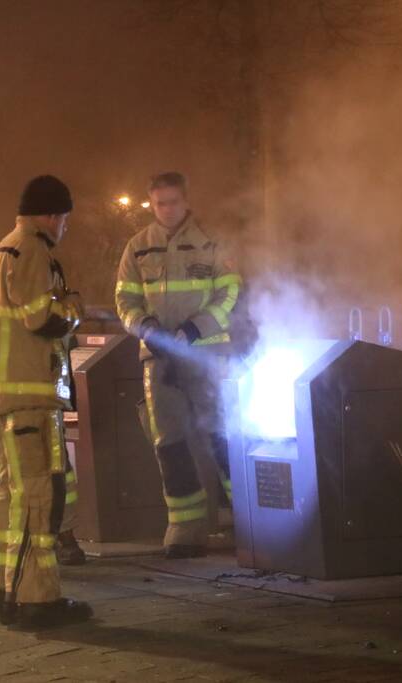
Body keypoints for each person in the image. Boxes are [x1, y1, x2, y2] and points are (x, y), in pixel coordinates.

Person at [0, 175, 92, 629]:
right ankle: (37, 600)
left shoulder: (2, 251)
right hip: (27, 398)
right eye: (64, 218)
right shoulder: (32, 250)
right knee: (38, 500)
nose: (65, 227)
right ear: (51, 215)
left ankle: (6, 591)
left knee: (12, 499)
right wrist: (74, 306)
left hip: (3, 397)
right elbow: (41, 318)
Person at [114, 171, 242, 559]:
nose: (167, 209)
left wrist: (194, 329)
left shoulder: (212, 242)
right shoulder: (138, 248)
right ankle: (185, 529)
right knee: (168, 442)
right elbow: (125, 301)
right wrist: (147, 328)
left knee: (223, 436)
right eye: (159, 203)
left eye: (173, 202)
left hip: (207, 355)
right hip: (159, 358)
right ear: (151, 204)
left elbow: (230, 292)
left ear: (186, 201)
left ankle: (249, 520)